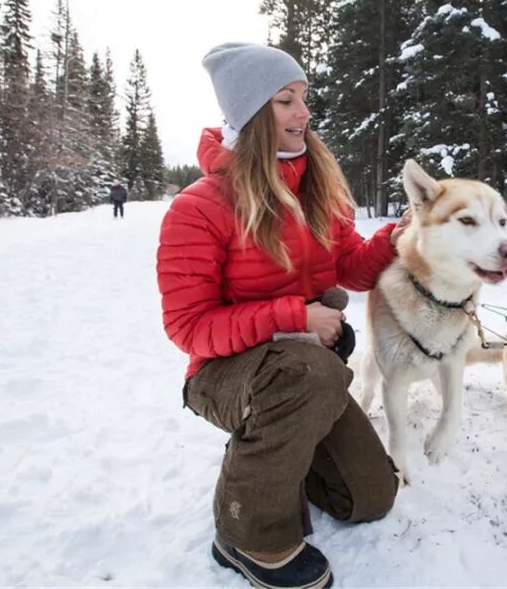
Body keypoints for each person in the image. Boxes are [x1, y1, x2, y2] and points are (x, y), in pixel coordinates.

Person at [156, 43, 407, 589]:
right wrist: (296, 315)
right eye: (285, 101)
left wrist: (396, 239)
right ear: (250, 114)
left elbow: (353, 269)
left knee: (370, 495)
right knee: (308, 373)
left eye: (303, 99)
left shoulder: (318, 190)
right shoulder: (200, 207)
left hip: (298, 374)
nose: (304, 113)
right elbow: (188, 327)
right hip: (223, 374)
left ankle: (275, 441)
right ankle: (247, 535)